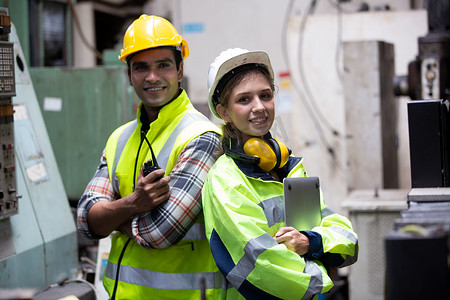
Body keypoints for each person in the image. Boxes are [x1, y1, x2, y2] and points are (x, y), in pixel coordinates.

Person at [77, 15, 223, 299]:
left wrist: (114, 217)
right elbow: (86, 220)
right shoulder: (119, 139)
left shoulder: (201, 137)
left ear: (180, 70)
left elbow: (159, 232)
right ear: (129, 75)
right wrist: (134, 204)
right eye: (141, 67)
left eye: (163, 65)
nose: (152, 77)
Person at [202, 48, 358, 299]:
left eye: (265, 95)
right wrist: (324, 274)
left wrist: (310, 242)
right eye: (244, 99)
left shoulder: (287, 167)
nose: (259, 107)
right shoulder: (226, 179)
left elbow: (346, 236)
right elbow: (266, 265)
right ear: (224, 112)